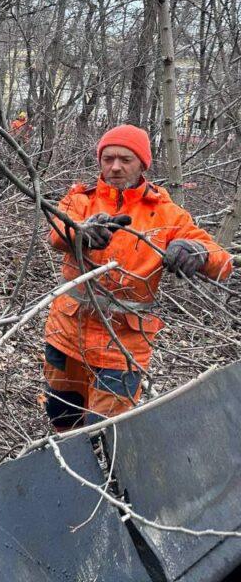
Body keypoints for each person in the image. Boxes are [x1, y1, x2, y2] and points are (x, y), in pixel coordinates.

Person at [42, 125, 232, 430]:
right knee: (62, 416)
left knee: (106, 431)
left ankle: (106, 475)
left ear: (142, 163)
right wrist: (82, 233)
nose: (115, 167)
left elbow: (222, 263)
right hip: (67, 331)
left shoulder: (167, 214)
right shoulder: (81, 200)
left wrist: (198, 253)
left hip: (123, 344)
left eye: (125, 159)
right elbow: (56, 235)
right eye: (109, 158)